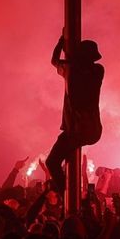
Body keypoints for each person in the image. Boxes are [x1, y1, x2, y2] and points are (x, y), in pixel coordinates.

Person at [45, 34, 103, 197]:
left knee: (52, 162)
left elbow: (54, 60)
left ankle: (67, 195)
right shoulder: (97, 70)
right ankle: (69, 193)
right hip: (91, 129)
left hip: (77, 130)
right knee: (62, 159)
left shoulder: (72, 69)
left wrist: (61, 44)